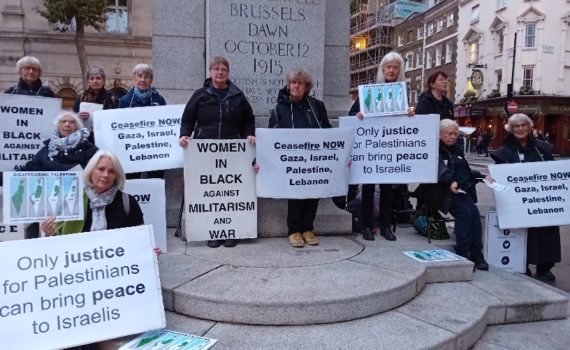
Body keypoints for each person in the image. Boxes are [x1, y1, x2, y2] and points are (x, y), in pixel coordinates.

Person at [179, 56, 255, 248]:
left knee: (230, 193)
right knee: (209, 192)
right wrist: (184, 135)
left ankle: (232, 231)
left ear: (228, 73)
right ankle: (212, 231)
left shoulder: (238, 95)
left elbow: (248, 118)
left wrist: (249, 135)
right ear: (210, 72)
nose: (220, 72)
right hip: (205, 150)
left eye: (224, 69)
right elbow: (187, 119)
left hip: (233, 150)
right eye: (216, 69)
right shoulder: (200, 94)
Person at [348, 51, 412, 241]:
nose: (391, 70)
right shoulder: (369, 92)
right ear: (382, 69)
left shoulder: (401, 94)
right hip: (371, 148)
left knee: (386, 189)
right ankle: (367, 225)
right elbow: (352, 114)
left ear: (399, 71)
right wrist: (358, 114)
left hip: (389, 147)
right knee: (368, 188)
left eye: (395, 67)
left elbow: (404, 120)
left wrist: (410, 113)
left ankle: (385, 225)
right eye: (388, 67)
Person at [491, 114, 561, 282]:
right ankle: (523, 264)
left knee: (546, 232)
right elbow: (500, 175)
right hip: (517, 202)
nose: (520, 129)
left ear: (530, 128)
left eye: (524, 125)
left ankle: (545, 267)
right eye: (516, 126)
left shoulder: (543, 149)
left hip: (542, 201)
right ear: (511, 129)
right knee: (522, 233)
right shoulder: (504, 152)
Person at [268, 68, 332, 248]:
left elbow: (327, 130)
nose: (296, 86)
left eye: (300, 83)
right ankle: (294, 230)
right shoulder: (280, 107)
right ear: (288, 86)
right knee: (296, 195)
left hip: (315, 159)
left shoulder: (316, 106)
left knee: (313, 193)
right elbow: (271, 136)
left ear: (307, 86)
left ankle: (307, 228)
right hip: (292, 162)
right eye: (293, 83)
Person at [21, 111, 98, 239]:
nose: (67, 125)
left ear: (77, 127)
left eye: (72, 122)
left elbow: (96, 168)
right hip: (51, 200)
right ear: (58, 126)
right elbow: (30, 168)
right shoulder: (46, 150)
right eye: (63, 121)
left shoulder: (87, 147)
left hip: (79, 201)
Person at [433, 119, 492, 270]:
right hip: (444, 191)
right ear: (440, 134)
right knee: (466, 213)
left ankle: (476, 252)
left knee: (473, 213)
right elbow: (439, 168)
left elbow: (465, 170)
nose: (453, 137)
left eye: (455, 134)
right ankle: (463, 251)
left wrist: (481, 176)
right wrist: (450, 181)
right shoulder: (435, 149)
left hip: (461, 190)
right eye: (449, 133)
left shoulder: (457, 149)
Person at [118, 63, 166, 179]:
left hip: (155, 150)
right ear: (134, 78)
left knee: (155, 179)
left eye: (146, 76)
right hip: (132, 150)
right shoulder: (125, 101)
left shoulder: (159, 100)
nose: (142, 80)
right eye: (139, 76)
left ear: (151, 79)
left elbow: (165, 124)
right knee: (132, 180)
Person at [73, 66, 116, 139]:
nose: (95, 81)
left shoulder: (112, 98)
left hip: (106, 137)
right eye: (92, 78)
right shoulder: (81, 98)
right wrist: (77, 117)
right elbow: (72, 118)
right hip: (85, 139)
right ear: (88, 81)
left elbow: (117, 119)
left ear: (104, 80)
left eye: (98, 78)